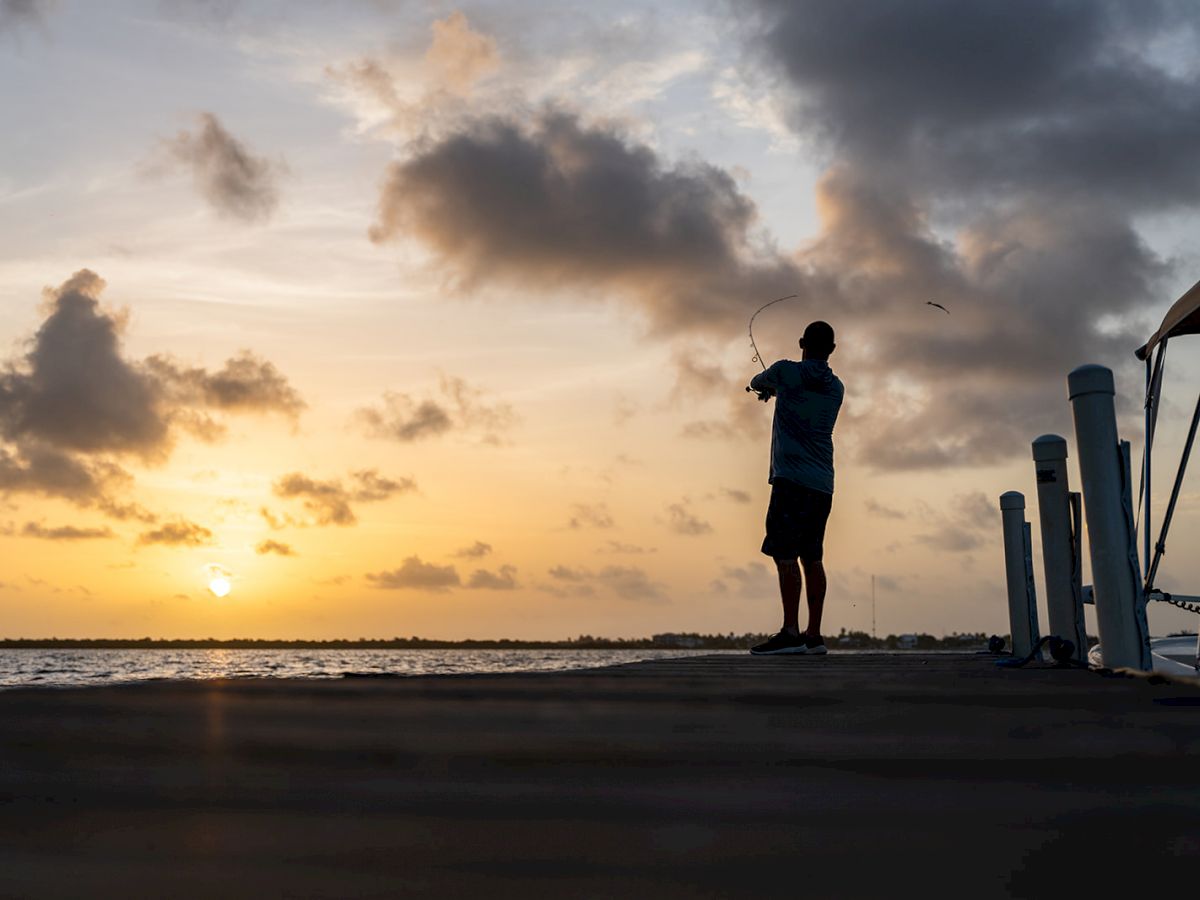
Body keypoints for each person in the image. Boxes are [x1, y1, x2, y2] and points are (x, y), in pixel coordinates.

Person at [746, 320, 844, 655]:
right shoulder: (836, 388)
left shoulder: (785, 372)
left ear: (801, 341)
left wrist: (769, 389)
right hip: (822, 483)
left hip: (790, 480)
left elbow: (756, 382)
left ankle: (790, 632)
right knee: (813, 557)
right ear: (832, 350)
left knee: (785, 555)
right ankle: (813, 636)